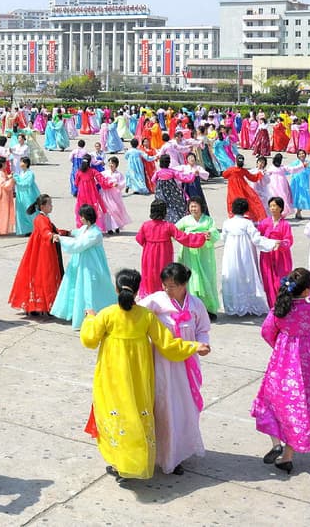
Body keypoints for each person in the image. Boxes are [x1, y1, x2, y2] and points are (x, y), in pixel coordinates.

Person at [82, 269, 209, 480]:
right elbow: (168, 346)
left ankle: (120, 462)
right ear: (138, 290)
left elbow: (89, 340)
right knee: (138, 416)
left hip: (112, 376)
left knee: (117, 414)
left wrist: (90, 319)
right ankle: (140, 459)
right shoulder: (146, 316)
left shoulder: (107, 314)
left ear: (116, 288)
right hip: (140, 378)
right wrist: (194, 346)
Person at [250, 267, 310, 474]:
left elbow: (267, 332)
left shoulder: (280, 309)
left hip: (283, 362)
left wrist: (281, 346)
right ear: (307, 291)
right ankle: (287, 456)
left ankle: (276, 444)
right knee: (299, 407)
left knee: (271, 401)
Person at [138, 262, 213, 475]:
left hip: (186, 364)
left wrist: (203, 344)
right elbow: (133, 315)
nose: (167, 289)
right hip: (161, 363)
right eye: (165, 285)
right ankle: (159, 453)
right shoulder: (155, 301)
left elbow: (203, 329)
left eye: (172, 286)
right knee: (163, 406)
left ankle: (177, 454)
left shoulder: (195, 304)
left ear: (183, 285)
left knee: (183, 407)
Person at [49, 204, 114, 330]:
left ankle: (92, 316)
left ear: (87, 218)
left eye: (82, 217)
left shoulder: (95, 234)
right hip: (82, 263)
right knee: (80, 288)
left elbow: (78, 245)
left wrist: (61, 239)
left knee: (89, 290)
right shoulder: (86, 228)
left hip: (91, 266)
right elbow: (77, 233)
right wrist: (66, 232)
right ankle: (80, 314)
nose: (80, 219)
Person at [8, 194, 68, 315]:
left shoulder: (44, 218)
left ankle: (40, 305)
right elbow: (46, 232)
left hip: (43, 249)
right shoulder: (40, 219)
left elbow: (51, 230)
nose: (51, 206)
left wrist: (65, 233)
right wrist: (52, 236)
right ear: (42, 206)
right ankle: (40, 305)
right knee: (44, 275)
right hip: (42, 253)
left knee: (41, 275)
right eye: (49, 204)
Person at [134, 200, 206, 297]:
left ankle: (150, 298)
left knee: (149, 276)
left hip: (149, 256)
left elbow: (139, 239)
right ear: (164, 212)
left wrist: (150, 246)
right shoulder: (168, 226)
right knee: (164, 275)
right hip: (164, 255)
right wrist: (201, 237)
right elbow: (184, 238)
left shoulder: (145, 225)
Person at [220, 198, 278, 317]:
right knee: (247, 275)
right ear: (245, 210)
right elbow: (256, 239)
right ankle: (249, 304)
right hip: (245, 253)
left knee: (233, 276)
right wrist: (271, 243)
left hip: (231, 253)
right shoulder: (247, 223)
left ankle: (234, 305)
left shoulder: (227, 222)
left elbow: (223, 238)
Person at [174, 197, 221, 319]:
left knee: (206, 279)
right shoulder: (185, 220)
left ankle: (209, 309)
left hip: (204, 253)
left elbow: (215, 233)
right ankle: (191, 309)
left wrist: (210, 235)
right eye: (191, 206)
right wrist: (185, 237)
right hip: (189, 253)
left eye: (195, 206)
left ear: (201, 207)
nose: (193, 209)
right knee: (191, 279)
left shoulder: (208, 220)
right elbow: (174, 231)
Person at [257, 196, 294, 308]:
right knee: (268, 280)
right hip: (267, 255)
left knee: (280, 281)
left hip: (281, 255)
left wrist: (281, 244)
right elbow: (258, 237)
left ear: (280, 208)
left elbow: (289, 240)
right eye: (271, 206)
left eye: (275, 206)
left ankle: (283, 304)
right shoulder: (264, 223)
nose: (272, 208)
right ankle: (272, 306)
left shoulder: (285, 224)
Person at [13, 157, 41, 236]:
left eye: (21, 162)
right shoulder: (21, 173)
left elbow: (27, 184)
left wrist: (17, 179)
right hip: (21, 195)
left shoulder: (30, 173)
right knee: (22, 212)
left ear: (26, 163)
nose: (20, 164)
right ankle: (27, 229)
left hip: (29, 195)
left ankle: (34, 229)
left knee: (31, 211)